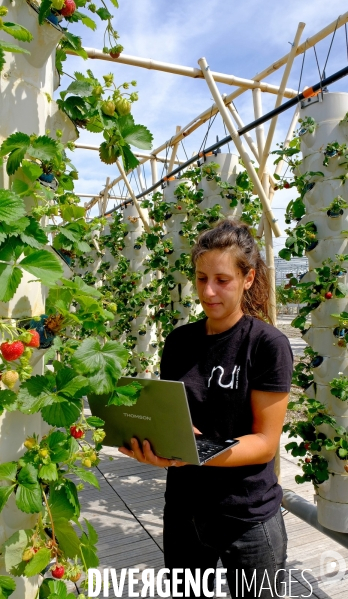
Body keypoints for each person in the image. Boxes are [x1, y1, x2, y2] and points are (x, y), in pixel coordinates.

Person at [119, 219, 293, 598]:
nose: (209, 291)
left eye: (222, 279)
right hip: (184, 512)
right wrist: (157, 449)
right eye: (201, 278)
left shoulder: (266, 345)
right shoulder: (180, 342)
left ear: (248, 279)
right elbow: (171, 419)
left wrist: (196, 453)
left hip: (246, 517)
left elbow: (265, 443)